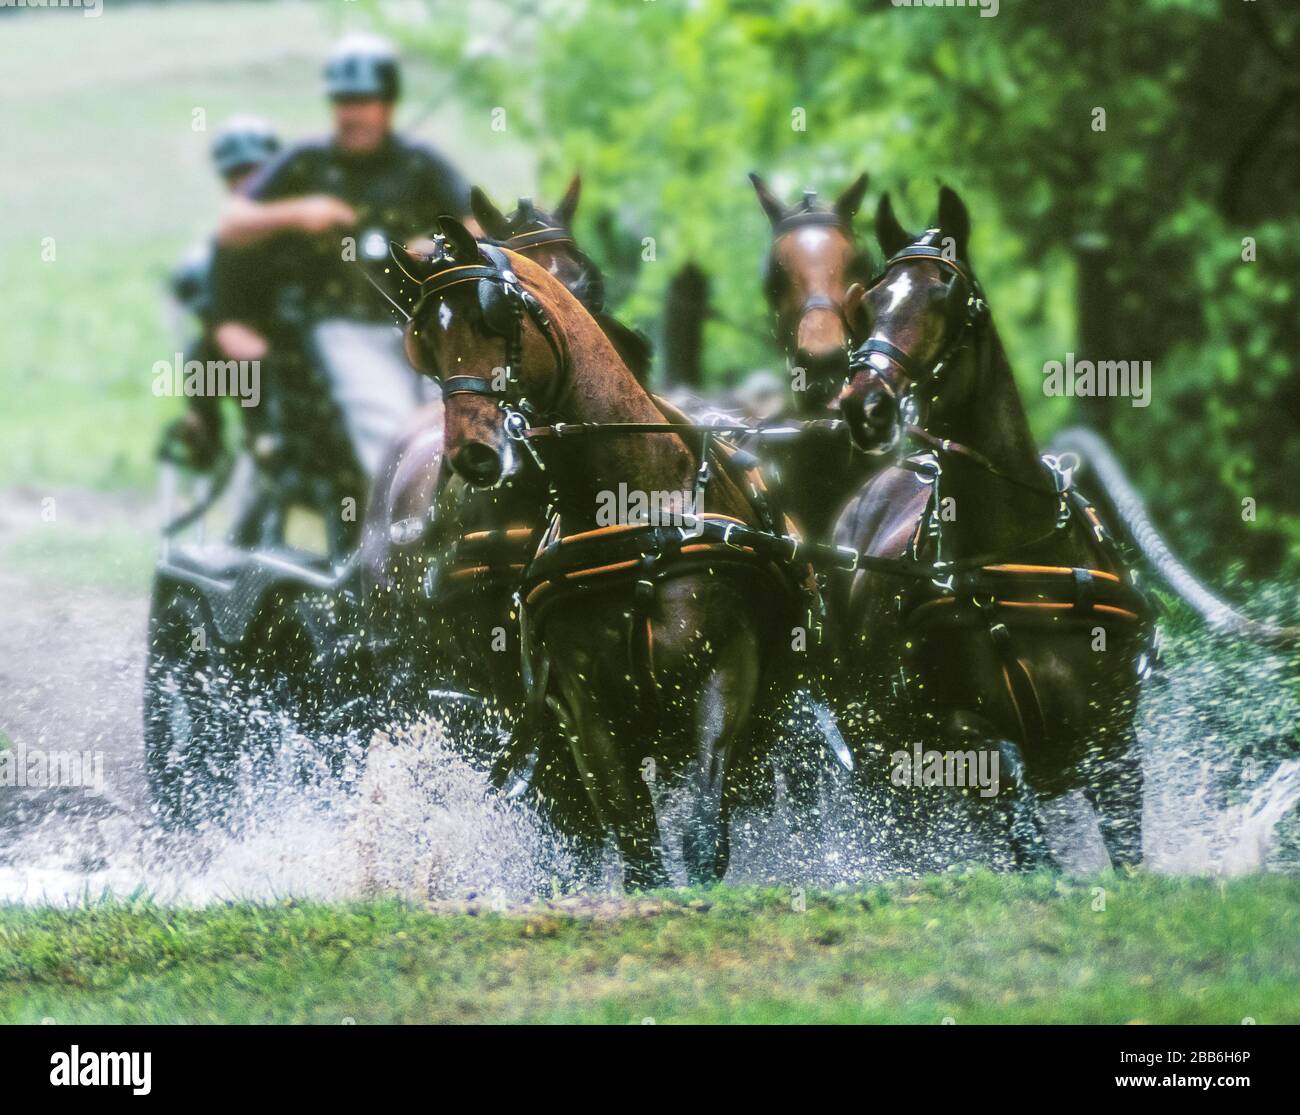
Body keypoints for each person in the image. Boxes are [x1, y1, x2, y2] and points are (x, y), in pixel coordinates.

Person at [210, 33, 481, 495]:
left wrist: (438, 244)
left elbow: (478, 227)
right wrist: (298, 211)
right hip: (339, 326)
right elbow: (233, 224)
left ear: (387, 104)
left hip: (422, 323)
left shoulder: (420, 166)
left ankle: (466, 518)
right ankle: (406, 523)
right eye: (342, 101)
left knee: (457, 412)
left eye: (363, 100)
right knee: (387, 425)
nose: (351, 113)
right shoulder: (305, 164)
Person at [164, 115, 280, 469]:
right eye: (236, 174)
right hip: (247, 356)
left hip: (301, 344)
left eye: (255, 171)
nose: (246, 182)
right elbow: (193, 281)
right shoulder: (219, 241)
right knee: (206, 350)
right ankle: (209, 432)